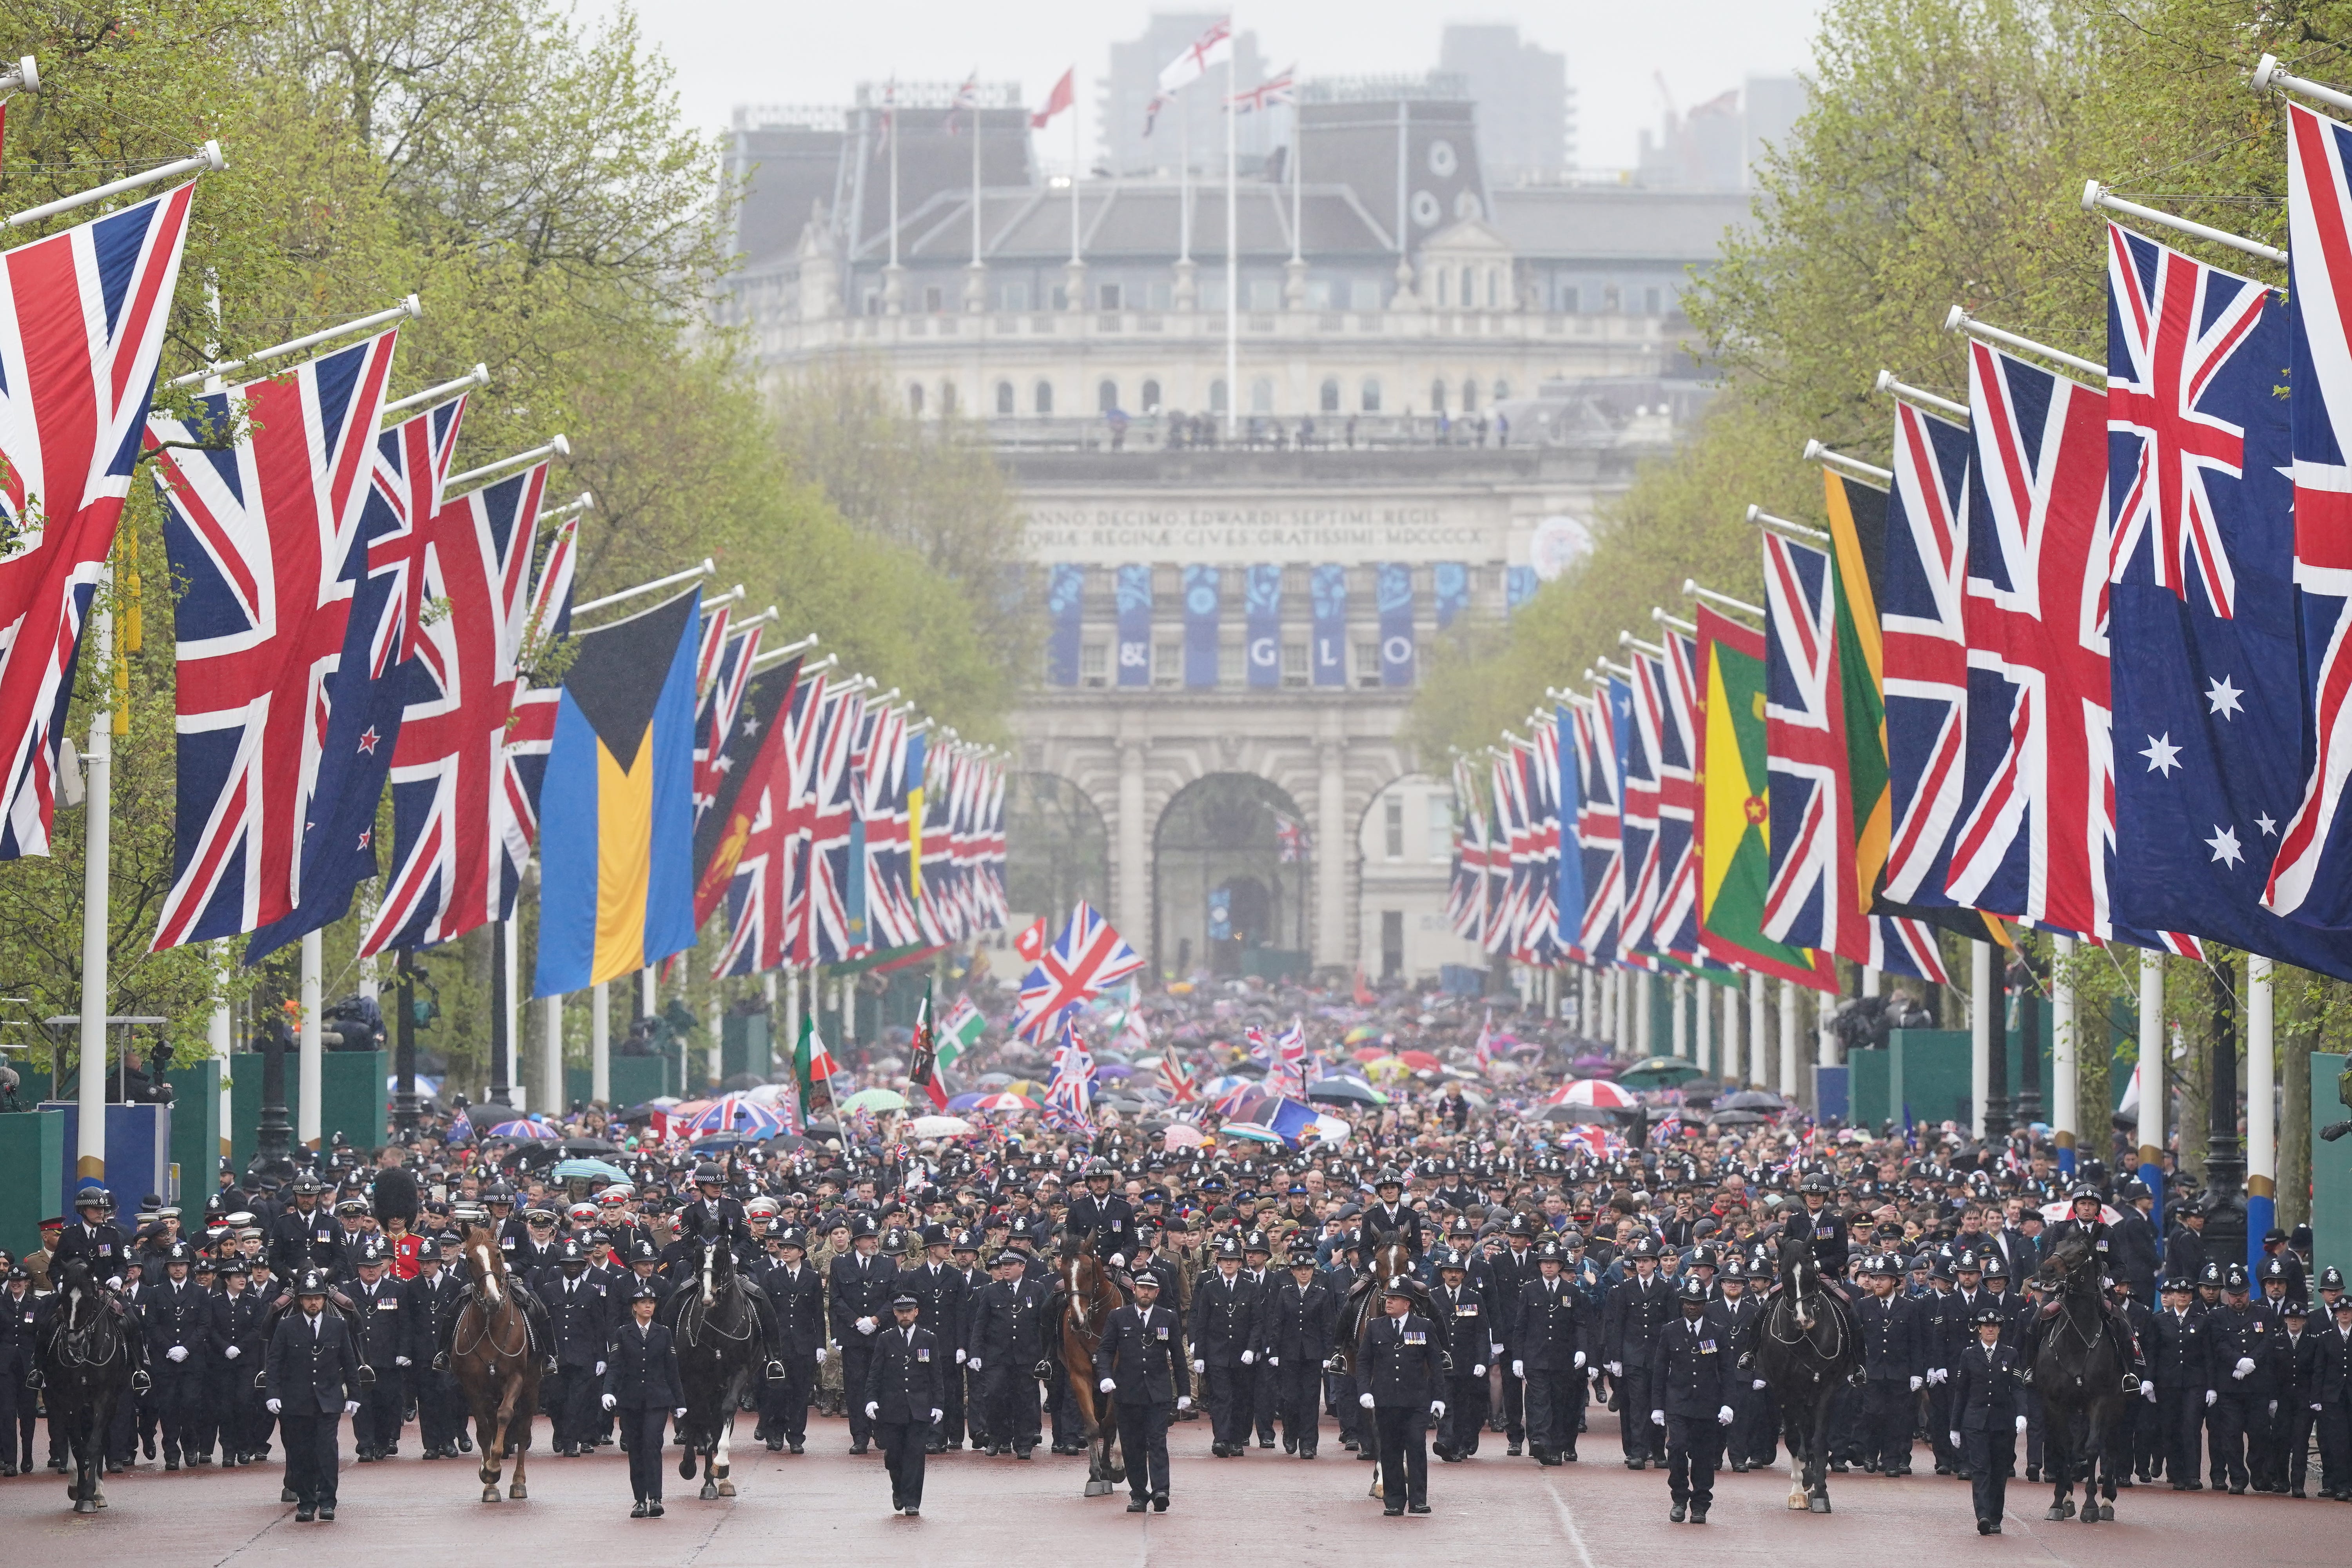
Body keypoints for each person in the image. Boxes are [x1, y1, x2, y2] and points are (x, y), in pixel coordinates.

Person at [264, 1268, 361, 1523]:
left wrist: (354, 1394)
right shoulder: (287, 1326)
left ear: (325, 1299)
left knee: (328, 1451)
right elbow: (274, 1363)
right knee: (301, 1453)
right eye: (308, 1298)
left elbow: (350, 1363)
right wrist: (272, 1394)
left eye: (318, 1297)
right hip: (296, 1401)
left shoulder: (338, 1325)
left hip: (328, 1401)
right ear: (300, 1300)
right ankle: (306, 1504)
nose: (314, 1302)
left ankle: (328, 1502)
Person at [1094, 1270, 1191, 1511]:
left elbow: (1179, 1357)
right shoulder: (1119, 1317)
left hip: (1158, 1393)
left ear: (1157, 1293)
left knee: (1157, 1442)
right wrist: (1105, 1376)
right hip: (1127, 1392)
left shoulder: (1167, 1318)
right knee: (1131, 1445)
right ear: (1134, 1290)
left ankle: (1161, 1491)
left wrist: (1185, 1392)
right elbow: (1105, 1350)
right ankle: (1138, 1494)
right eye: (1141, 1288)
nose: (1145, 1292)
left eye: (1150, 1289)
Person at [1647, 1275, 1733, 1523]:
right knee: (1676, 1449)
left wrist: (1728, 1404)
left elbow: (1727, 1371)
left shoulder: (1717, 1332)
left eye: (1697, 1302)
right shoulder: (1670, 1331)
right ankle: (1679, 1498)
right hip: (1679, 1404)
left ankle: (1700, 1505)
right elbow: (1660, 1371)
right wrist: (1657, 1407)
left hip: (1708, 1405)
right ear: (1681, 1303)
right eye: (1688, 1302)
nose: (1692, 1307)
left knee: (1705, 1456)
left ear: (1705, 1304)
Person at [600, 1281, 685, 1517]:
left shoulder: (664, 1332)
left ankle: (656, 1498)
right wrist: (608, 1391)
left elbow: (672, 1370)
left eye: (651, 1303)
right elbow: (616, 1367)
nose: (648, 1307)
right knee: (635, 1449)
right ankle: (640, 1500)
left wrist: (681, 1403)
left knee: (652, 1444)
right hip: (630, 1400)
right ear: (634, 1307)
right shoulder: (623, 1333)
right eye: (643, 1303)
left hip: (657, 1400)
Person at [1359, 1274, 1441, 1516]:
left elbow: (1435, 1365)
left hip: (1416, 1401)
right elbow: (1363, 1362)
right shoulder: (1375, 1326)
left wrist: (1439, 1398)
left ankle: (1418, 1500)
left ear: (1408, 1303)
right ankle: (1394, 1501)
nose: (1389, 1302)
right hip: (1386, 1400)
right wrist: (1364, 1390)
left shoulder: (1425, 1326)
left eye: (1395, 1299)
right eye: (1387, 1298)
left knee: (1416, 1447)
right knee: (1391, 1451)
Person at [1948, 1303, 2027, 1533]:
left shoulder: (2010, 1354)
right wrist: (1955, 1427)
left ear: (2000, 1329)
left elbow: (2018, 1387)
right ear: (1979, 1329)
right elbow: (1961, 1391)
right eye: (1986, 1326)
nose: (1990, 1329)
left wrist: (2022, 1413)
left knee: (2000, 1471)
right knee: (1981, 1469)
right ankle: (1982, 1515)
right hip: (1976, 1422)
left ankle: (1995, 1518)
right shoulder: (1969, 1355)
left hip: (2003, 1422)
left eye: (1994, 1326)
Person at [864, 1292, 944, 1516]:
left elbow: (936, 1376)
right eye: (901, 1312)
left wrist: (938, 1405)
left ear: (916, 1312)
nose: (905, 1315)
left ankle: (912, 1501)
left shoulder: (929, 1339)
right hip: (892, 1408)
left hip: (919, 1408)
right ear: (895, 1314)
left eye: (909, 1311)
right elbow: (875, 1374)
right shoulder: (885, 1339)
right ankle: (898, 1487)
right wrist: (871, 1400)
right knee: (895, 1455)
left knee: (916, 1455)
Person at [1262, 1237, 1335, 1458]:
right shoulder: (1285, 1293)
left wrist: (1327, 1354)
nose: (1304, 1273)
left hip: (1313, 1354)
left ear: (1313, 1270)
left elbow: (1328, 1325)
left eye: (1308, 1269)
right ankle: (1290, 1434)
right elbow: (1277, 1323)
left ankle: (1309, 1443)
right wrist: (1273, 1351)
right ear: (1292, 1272)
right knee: (1289, 1397)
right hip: (1289, 1352)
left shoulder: (1321, 1293)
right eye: (1299, 1269)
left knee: (1311, 1399)